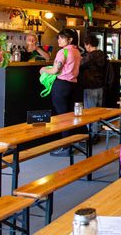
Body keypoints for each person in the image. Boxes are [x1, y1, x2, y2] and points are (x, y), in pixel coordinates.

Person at [40, 29, 82, 157]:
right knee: (70, 115)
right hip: (73, 86)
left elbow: (55, 70)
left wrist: (43, 70)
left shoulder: (62, 52)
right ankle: (72, 142)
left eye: (61, 38)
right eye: (58, 37)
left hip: (61, 86)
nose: (58, 40)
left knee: (62, 117)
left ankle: (65, 147)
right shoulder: (76, 51)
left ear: (69, 39)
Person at [80, 34, 107, 143]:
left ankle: (92, 136)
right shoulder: (102, 54)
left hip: (90, 86)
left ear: (88, 45)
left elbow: (80, 64)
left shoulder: (90, 56)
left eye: (85, 45)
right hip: (100, 86)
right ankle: (97, 133)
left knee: (90, 113)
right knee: (97, 111)